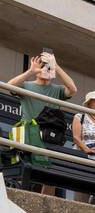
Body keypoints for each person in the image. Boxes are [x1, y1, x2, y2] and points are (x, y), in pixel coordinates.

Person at [7, 52, 77, 195]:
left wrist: (57, 67)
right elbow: (10, 86)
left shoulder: (57, 90)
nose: (46, 70)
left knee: (48, 173)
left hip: (50, 136)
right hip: (28, 134)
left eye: (49, 68)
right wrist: (30, 71)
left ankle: (44, 203)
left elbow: (73, 89)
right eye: (43, 67)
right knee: (25, 169)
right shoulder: (26, 85)